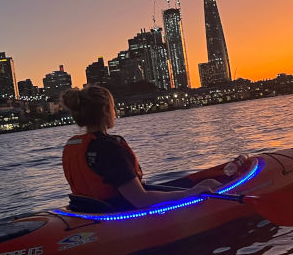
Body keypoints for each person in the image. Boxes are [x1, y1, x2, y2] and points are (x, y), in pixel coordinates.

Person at [60, 85, 217, 210]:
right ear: (106, 111)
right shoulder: (109, 149)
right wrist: (191, 194)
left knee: (208, 181)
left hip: (93, 210)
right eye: (113, 107)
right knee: (212, 185)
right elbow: (140, 200)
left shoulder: (74, 146)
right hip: (120, 214)